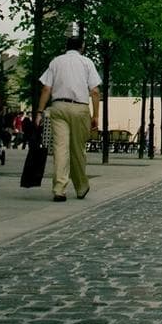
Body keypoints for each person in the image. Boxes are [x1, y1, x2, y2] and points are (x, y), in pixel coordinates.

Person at [35, 31, 101, 202]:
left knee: (60, 148)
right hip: (80, 108)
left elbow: (46, 88)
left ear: (66, 47)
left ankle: (59, 189)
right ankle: (81, 187)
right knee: (78, 149)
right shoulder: (87, 62)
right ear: (82, 47)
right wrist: (96, 115)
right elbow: (95, 91)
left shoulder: (56, 62)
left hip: (58, 107)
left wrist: (39, 112)